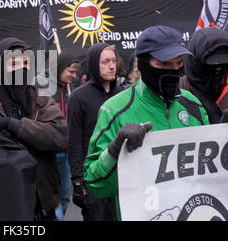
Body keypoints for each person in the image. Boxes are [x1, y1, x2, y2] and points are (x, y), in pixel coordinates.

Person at [83, 25, 210, 220]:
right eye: (164, 64)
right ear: (143, 64)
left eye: (179, 63)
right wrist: (114, 150)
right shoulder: (115, 110)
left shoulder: (192, 104)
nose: (174, 70)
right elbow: (95, 184)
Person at [0, 37, 67, 221]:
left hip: (44, 206)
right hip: (4, 208)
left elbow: (59, 136)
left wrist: (13, 125)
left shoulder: (43, 101)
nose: (21, 69)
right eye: (13, 63)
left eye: (25, 63)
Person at [67, 43, 123, 221]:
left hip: (121, 177)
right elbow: (74, 141)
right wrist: (77, 180)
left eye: (113, 61)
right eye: (105, 62)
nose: (112, 66)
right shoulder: (79, 97)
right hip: (93, 177)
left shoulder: (124, 95)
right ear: (93, 64)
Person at [36, 51, 79, 221]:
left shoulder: (69, 87)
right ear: (60, 68)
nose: (74, 76)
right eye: (71, 71)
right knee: (51, 200)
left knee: (65, 197)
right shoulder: (41, 84)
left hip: (66, 151)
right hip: (47, 152)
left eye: (76, 72)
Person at [183, 27, 228, 124]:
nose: (218, 70)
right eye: (211, 64)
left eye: (224, 64)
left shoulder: (224, 91)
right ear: (194, 62)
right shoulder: (176, 95)